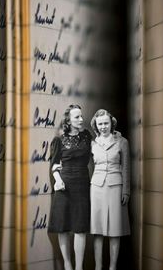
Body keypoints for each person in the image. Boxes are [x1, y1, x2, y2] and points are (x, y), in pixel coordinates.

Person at [48, 104, 92, 270]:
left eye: (81, 116)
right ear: (68, 120)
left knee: (80, 228)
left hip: (82, 184)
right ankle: (67, 264)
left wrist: (114, 136)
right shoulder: (59, 139)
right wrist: (58, 179)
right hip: (64, 185)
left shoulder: (87, 135)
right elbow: (54, 165)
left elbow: (100, 147)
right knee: (63, 226)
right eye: (77, 117)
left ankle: (79, 267)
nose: (81, 120)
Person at [90, 109, 130, 270]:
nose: (103, 127)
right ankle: (98, 267)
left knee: (115, 229)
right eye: (100, 124)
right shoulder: (92, 143)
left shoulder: (122, 142)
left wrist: (126, 190)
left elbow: (126, 167)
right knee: (97, 229)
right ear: (96, 125)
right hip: (96, 188)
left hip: (115, 187)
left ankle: (112, 267)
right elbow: (89, 167)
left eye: (106, 123)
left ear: (112, 123)